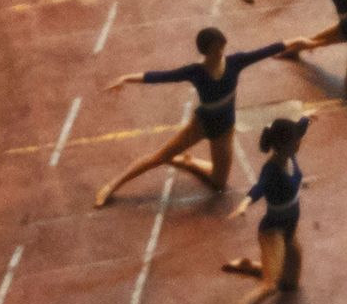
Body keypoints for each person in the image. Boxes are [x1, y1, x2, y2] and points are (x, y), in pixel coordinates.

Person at [95, 26, 290, 204]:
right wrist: (127, 78)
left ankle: (187, 161)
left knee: (219, 183)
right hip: (201, 125)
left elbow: (266, 51)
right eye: (216, 49)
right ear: (206, 52)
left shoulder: (235, 62)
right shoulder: (196, 72)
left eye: (222, 47)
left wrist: (294, 42)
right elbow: (162, 76)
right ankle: (111, 186)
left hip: (224, 130)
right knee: (159, 157)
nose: (221, 52)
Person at [217, 113, 314, 304]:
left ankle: (250, 265)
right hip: (274, 230)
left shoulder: (290, 148)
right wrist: (244, 204)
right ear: (285, 145)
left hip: (291, 228)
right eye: (295, 141)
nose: (299, 143)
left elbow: (301, 127)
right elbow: (258, 188)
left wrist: (308, 118)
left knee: (291, 284)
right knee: (271, 286)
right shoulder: (271, 169)